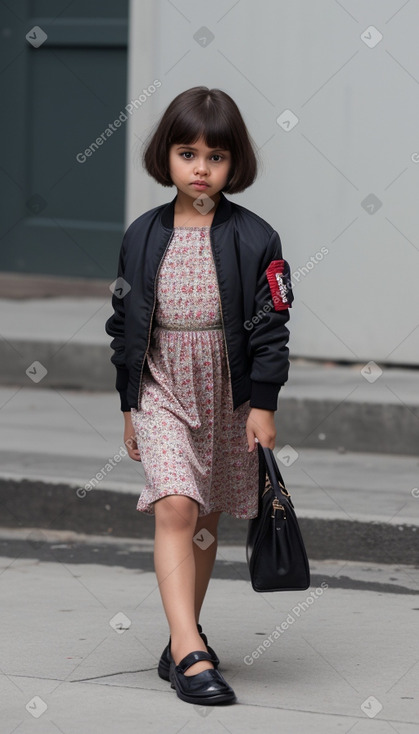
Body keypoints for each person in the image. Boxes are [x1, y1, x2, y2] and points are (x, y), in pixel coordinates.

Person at [105, 86, 293, 706]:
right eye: (188, 154)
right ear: (167, 157)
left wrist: (262, 404)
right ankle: (191, 652)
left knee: (205, 520)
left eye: (216, 157)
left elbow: (271, 326)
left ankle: (180, 636)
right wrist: (129, 405)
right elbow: (123, 324)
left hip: (226, 394)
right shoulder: (141, 235)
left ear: (235, 164)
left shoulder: (256, 236)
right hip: (162, 386)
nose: (201, 169)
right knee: (177, 508)